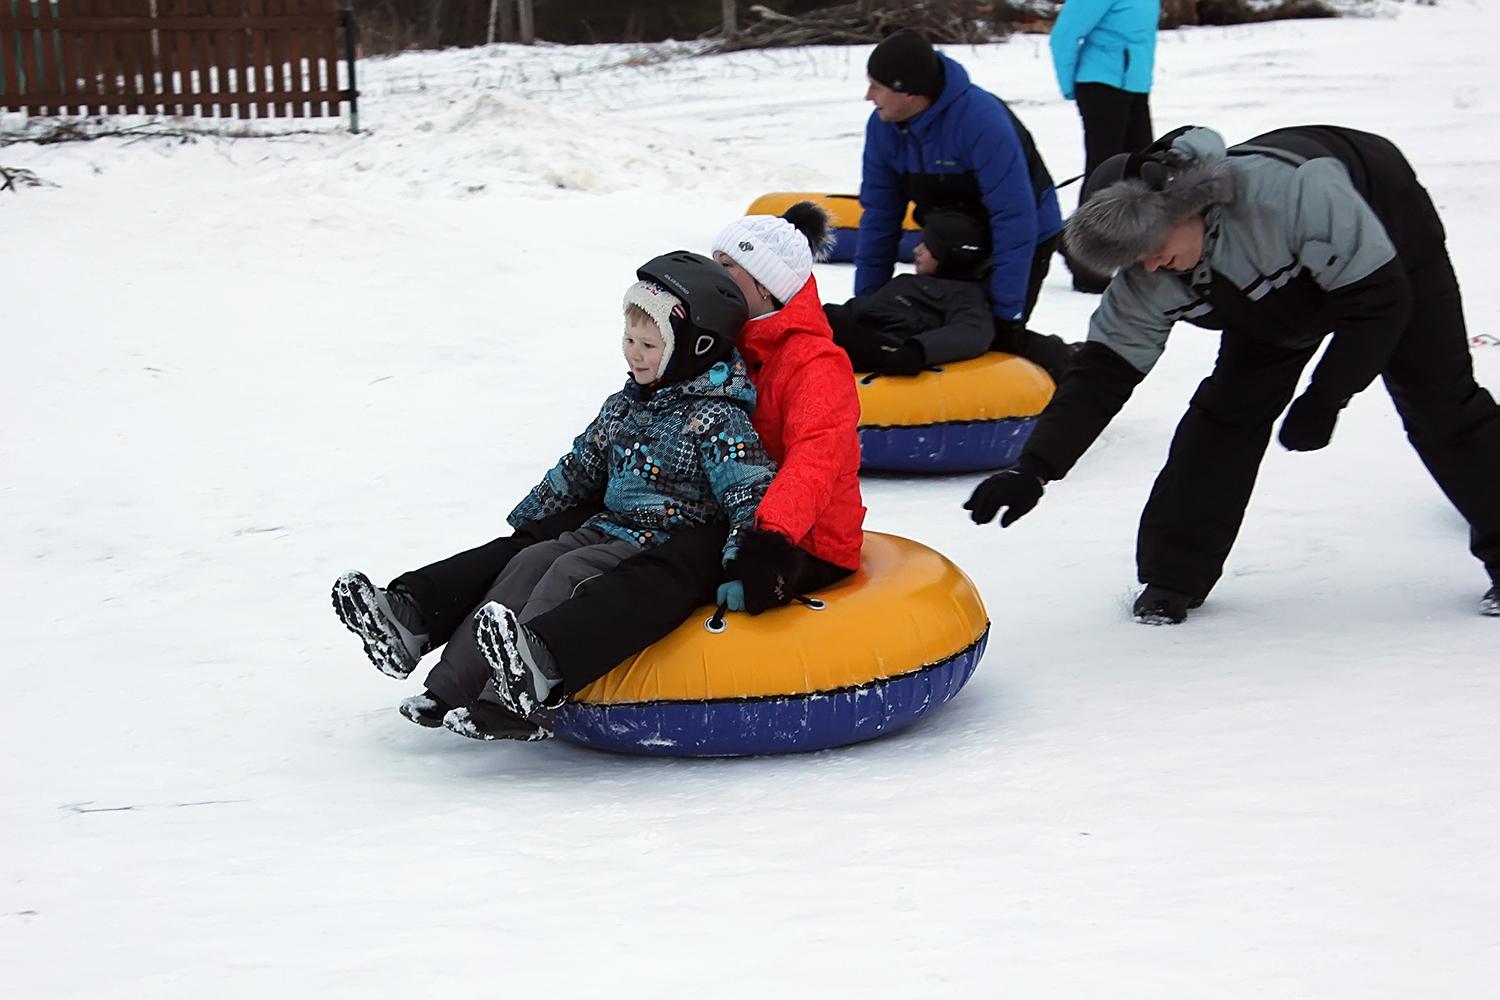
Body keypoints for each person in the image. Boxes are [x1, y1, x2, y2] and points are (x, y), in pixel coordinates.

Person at [334, 205, 866, 739]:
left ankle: (545, 657)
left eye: (729, 267)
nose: (714, 273)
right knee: (542, 539)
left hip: (793, 535)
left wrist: (767, 543)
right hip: (701, 495)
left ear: (767, 288)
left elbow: (814, 460)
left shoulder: (811, 363)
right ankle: (415, 616)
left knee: (664, 562)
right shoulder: (719, 342)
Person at [962, 125, 1500, 623]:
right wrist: (1033, 469)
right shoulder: (1150, 270)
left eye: (1152, 247)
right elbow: (1101, 374)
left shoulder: (1289, 194)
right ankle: (1173, 579)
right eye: (1133, 259)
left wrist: (1326, 397)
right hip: (1270, 294)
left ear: (1187, 206)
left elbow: (1379, 303)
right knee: (1224, 417)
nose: (1149, 266)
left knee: (1440, 404)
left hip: (1386, 245)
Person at [856, 29, 1071, 376]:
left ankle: (1075, 370)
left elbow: (1014, 218)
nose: (868, 96)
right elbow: (880, 217)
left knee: (992, 336)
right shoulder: (883, 127)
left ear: (910, 93)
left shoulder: (980, 121)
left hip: (1023, 232)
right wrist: (867, 303)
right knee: (919, 324)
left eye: (877, 87)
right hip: (952, 239)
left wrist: (1004, 312)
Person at [1048, 0, 1159, 294]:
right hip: (1101, 83)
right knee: (1103, 174)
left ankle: (1099, 247)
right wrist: (1070, 85)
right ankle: (1086, 265)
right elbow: (1064, 34)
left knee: (1142, 173)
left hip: (1134, 84)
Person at [825, 208, 998, 375]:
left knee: (843, 339)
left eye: (928, 246)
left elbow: (972, 332)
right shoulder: (907, 281)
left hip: (886, 345)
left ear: (952, 255)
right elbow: (863, 307)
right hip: (856, 329)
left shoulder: (965, 295)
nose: (917, 250)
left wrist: (918, 349)